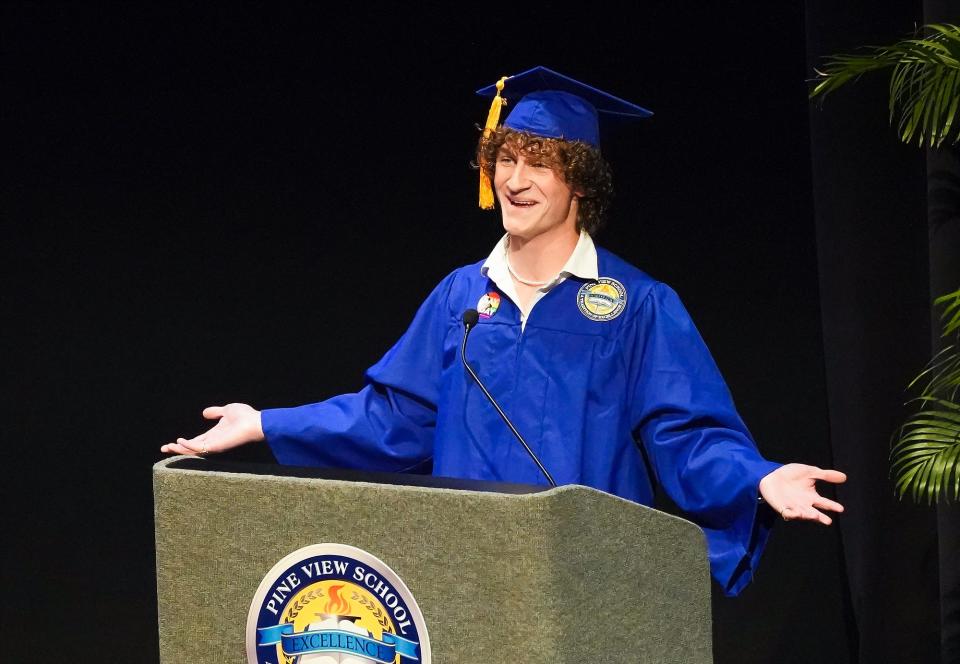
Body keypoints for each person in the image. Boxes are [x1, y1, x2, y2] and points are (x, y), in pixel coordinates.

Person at [161, 66, 845, 596]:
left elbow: (687, 437)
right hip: (465, 576)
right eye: (505, 157)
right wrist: (264, 424)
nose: (515, 179)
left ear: (580, 182)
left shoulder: (637, 306)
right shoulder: (460, 296)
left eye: (539, 162)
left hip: (588, 579)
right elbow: (392, 421)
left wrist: (758, 478)